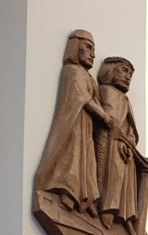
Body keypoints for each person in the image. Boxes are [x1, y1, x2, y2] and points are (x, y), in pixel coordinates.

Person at [34, 29, 112, 216]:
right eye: (88, 47)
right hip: (74, 123)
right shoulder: (72, 71)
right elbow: (82, 98)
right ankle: (67, 192)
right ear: (75, 47)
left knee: (88, 161)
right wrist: (103, 115)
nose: (93, 54)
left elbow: (94, 98)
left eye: (94, 50)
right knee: (73, 157)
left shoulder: (89, 77)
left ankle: (87, 197)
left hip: (86, 126)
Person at [94, 57, 148, 235]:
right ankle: (106, 209)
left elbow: (130, 127)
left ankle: (125, 215)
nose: (128, 76)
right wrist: (116, 135)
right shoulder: (105, 91)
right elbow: (104, 118)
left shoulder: (125, 100)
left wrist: (128, 142)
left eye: (130, 73)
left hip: (124, 146)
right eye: (123, 70)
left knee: (125, 178)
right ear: (110, 70)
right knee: (111, 172)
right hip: (108, 141)